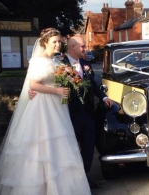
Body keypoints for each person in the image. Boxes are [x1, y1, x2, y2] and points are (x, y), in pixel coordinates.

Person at [0, 28, 91, 195]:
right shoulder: (39, 61)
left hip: (58, 106)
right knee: (41, 145)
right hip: (44, 107)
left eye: (59, 41)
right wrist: (57, 91)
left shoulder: (57, 60)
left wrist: (69, 85)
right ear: (45, 43)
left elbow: (65, 80)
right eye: (54, 42)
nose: (58, 44)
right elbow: (33, 84)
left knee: (59, 144)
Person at [29, 35, 113, 188]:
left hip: (87, 114)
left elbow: (93, 85)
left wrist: (103, 97)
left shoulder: (85, 64)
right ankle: (72, 182)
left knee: (88, 149)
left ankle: (84, 179)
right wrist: (32, 91)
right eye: (82, 46)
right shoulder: (59, 63)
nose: (85, 49)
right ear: (73, 47)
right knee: (70, 150)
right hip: (67, 114)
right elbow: (40, 81)